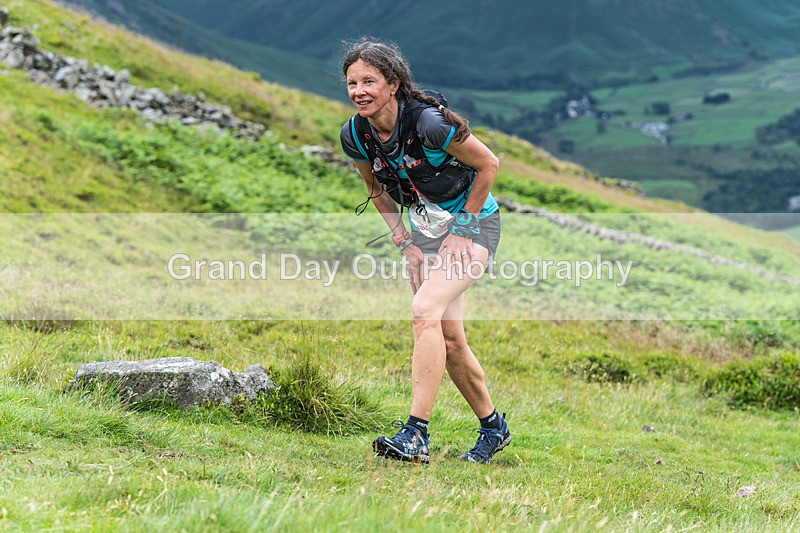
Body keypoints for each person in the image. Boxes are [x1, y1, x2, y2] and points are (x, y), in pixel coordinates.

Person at [340, 38, 511, 464]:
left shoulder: (430, 124)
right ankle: (493, 428)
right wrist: (405, 242)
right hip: (425, 233)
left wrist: (464, 227)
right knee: (448, 337)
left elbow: (488, 164)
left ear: (393, 84)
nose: (359, 91)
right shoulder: (355, 135)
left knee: (423, 311)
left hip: (474, 226)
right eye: (352, 83)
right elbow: (375, 188)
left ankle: (415, 433)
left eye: (369, 81)